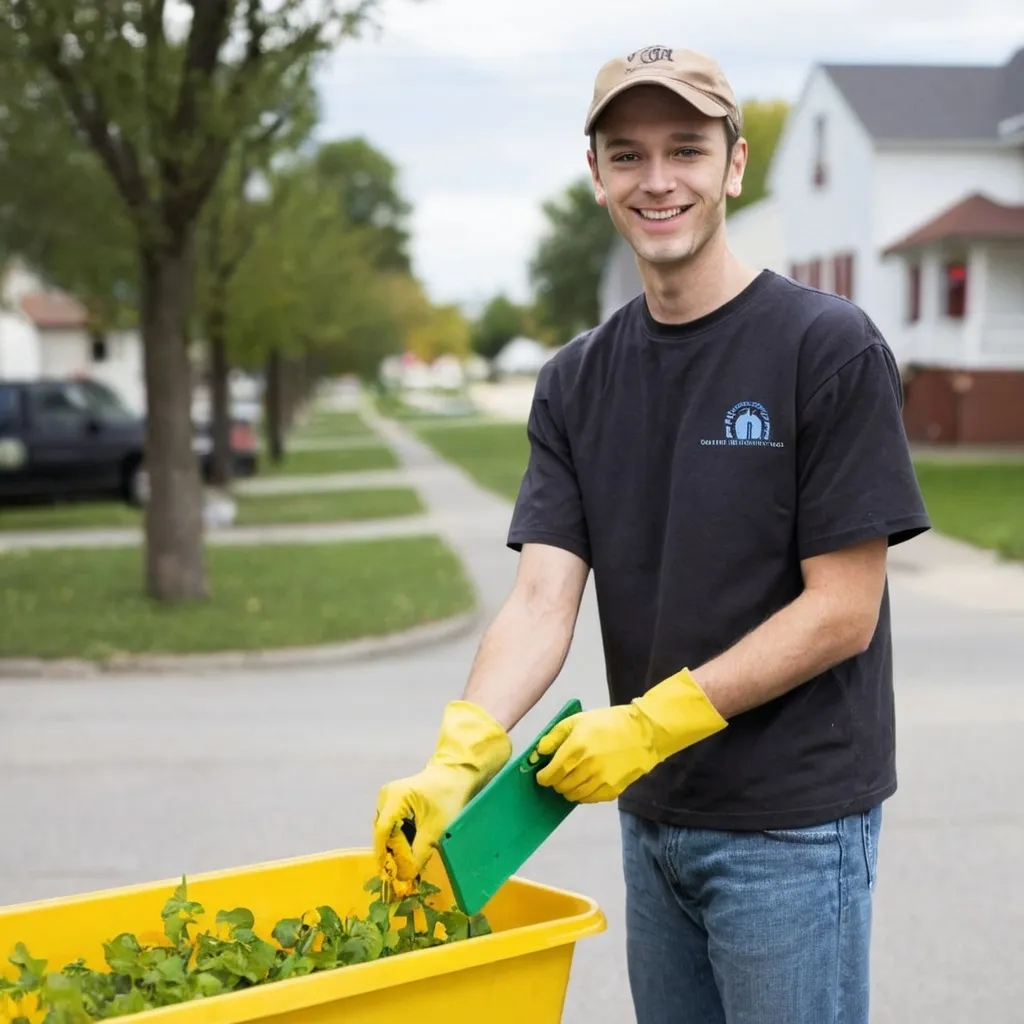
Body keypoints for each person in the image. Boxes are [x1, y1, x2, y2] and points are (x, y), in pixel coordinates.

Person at [373, 44, 931, 1024]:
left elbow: (843, 610)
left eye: (684, 148)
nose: (657, 178)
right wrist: (459, 752)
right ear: (596, 176)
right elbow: (544, 597)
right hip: (653, 816)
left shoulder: (823, 346)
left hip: (792, 825)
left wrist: (650, 721)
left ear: (734, 165)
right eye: (626, 154)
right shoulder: (576, 380)